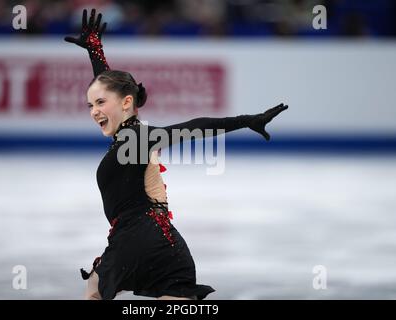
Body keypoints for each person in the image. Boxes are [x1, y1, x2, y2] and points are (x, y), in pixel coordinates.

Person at [65, 9, 288, 300]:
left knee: (95, 288)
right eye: (90, 105)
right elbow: (109, 90)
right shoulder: (130, 135)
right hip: (165, 242)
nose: (94, 111)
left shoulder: (139, 138)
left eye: (100, 103)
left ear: (126, 103)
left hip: (136, 235)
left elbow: (195, 127)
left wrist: (247, 120)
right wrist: (95, 50)